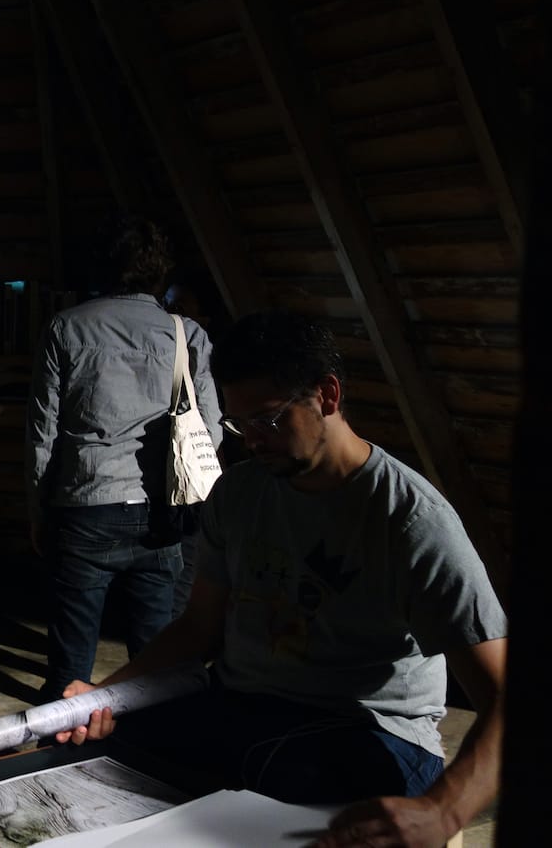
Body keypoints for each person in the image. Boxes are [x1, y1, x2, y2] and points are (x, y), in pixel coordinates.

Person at [54, 311, 508, 848]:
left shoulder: (408, 521)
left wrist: (443, 812)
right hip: (244, 710)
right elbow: (198, 629)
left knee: (275, 782)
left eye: (266, 420)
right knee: (94, 759)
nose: (250, 441)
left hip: (367, 730)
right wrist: (103, 697)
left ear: (328, 396)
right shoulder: (239, 494)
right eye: (237, 424)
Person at [26, 215, 221, 701]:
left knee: (69, 666)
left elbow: (42, 435)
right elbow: (211, 430)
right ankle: (147, 766)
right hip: (161, 516)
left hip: (84, 508)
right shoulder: (187, 334)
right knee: (155, 665)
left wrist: (36, 510)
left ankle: (58, 762)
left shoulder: (65, 328)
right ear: (158, 271)